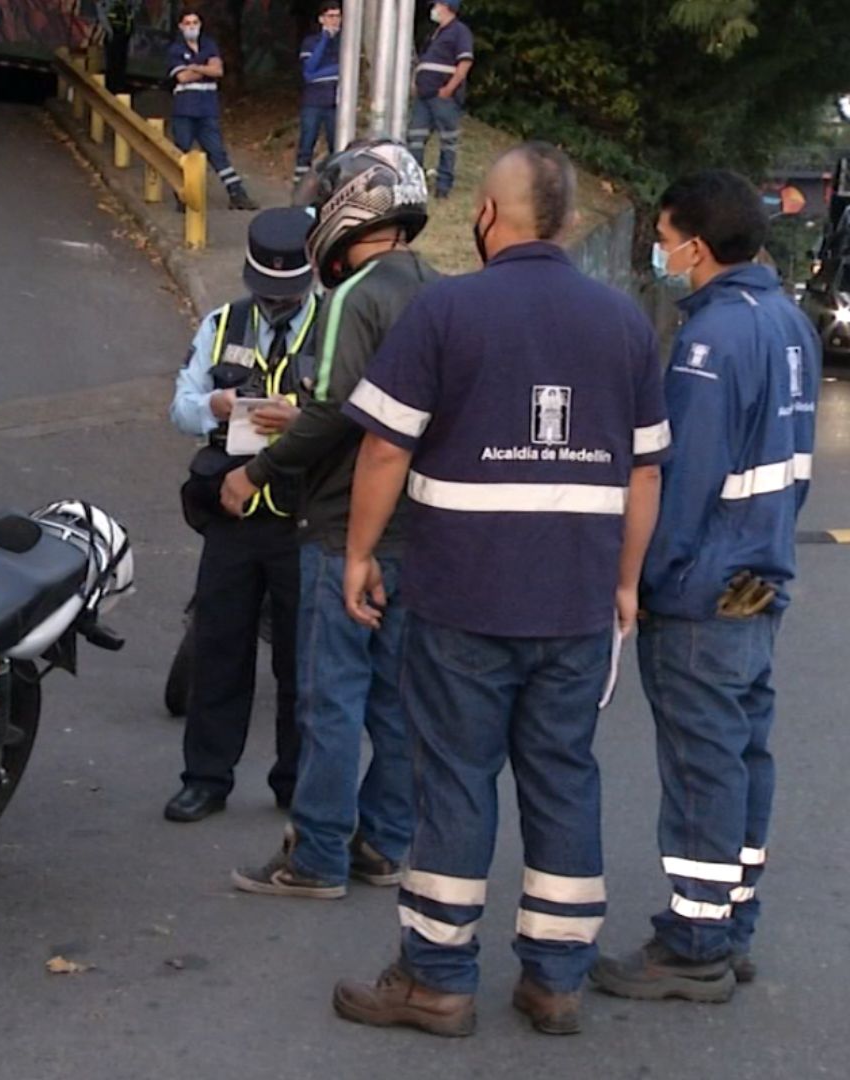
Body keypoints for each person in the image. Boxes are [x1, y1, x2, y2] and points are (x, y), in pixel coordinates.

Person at [329, 143, 669, 1038]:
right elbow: (644, 475)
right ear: (561, 223)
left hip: (461, 600)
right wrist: (625, 582)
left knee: (453, 780)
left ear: (487, 213)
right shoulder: (624, 322)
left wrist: (359, 553)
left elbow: (384, 447)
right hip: (576, 605)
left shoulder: (448, 308)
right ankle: (556, 978)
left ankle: (436, 977)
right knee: (563, 778)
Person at [593, 170, 822, 1004]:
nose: (659, 250)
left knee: (700, 763)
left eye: (663, 234)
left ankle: (694, 941)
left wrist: (643, 579)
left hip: (702, 586)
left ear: (694, 243)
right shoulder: (790, 325)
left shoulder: (709, 343)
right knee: (742, 752)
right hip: (758, 576)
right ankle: (731, 922)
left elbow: (680, 481)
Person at [224, 141, 436, 900]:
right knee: (394, 696)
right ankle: (383, 840)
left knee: (330, 694)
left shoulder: (357, 295)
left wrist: (258, 469)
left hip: (348, 524)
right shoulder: (439, 291)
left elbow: (337, 415)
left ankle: (315, 854)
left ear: (355, 210)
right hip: (421, 530)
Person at [164, 207, 319, 822]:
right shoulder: (221, 322)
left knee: (299, 660)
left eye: (289, 293)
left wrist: (300, 420)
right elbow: (179, 407)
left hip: (304, 517)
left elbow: (354, 416)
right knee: (220, 648)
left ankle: (295, 781)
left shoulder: (335, 328)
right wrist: (216, 405)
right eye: (267, 292)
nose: (276, 304)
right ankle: (205, 777)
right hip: (231, 510)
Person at [167, 8, 259, 212]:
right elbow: (182, 77)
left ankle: (237, 194)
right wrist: (205, 67)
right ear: (181, 26)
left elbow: (218, 70)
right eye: (188, 23)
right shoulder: (175, 49)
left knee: (218, 153)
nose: (192, 27)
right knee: (182, 153)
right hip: (184, 110)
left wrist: (194, 67)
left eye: (195, 22)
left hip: (207, 109)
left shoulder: (209, 44)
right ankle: (182, 196)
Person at [407, 0, 475, 200]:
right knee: (415, 139)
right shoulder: (435, 33)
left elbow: (465, 62)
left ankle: (443, 187)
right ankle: (415, 185)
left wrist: (449, 89)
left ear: (447, 6)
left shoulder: (460, 31)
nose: (433, 8)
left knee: (448, 141)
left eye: (436, 4)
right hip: (424, 96)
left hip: (442, 97)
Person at [296, 2, 343, 185]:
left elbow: (349, 68)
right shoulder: (311, 42)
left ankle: (333, 184)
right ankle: (299, 183)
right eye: (330, 16)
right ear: (321, 19)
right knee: (307, 143)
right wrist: (325, 39)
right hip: (313, 101)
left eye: (338, 16)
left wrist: (320, 73)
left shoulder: (345, 42)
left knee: (336, 145)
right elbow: (309, 71)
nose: (335, 21)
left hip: (335, 102)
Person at [102, 0, 137, 95]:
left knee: (121, 63)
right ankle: (111, 88)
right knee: (113, 63)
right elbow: (103, 14)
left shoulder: (128, 4)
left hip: (123, 35)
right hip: (113, 35)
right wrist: (109, 32)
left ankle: (119, 87)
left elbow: (130, 16)